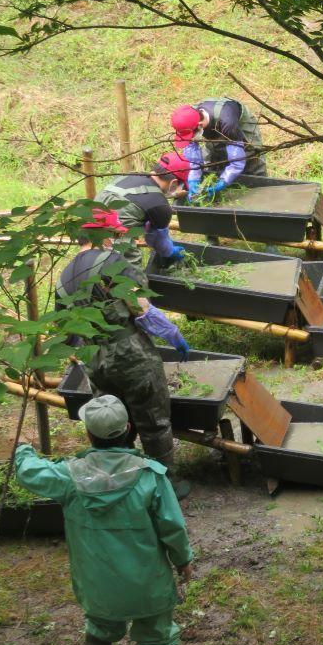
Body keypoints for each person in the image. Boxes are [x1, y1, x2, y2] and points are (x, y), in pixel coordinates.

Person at [14, 395, 194, 645]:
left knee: (99, 628)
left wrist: (23, 449)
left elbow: (29, 472)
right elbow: (174, 527)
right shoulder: (150, 476)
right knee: (157, 635)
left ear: (88, 433)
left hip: (99, 588)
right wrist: (183, 561)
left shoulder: (68, 477)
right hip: (149, 586)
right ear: (129, 430)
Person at [56, 210, 192, 498]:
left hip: (94, 359)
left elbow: (66, 332)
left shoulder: (63, 276)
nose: (116, 239)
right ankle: (164, 487)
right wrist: (173, 335)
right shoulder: (113, 263)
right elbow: (140, 308)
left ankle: (123, 483)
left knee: (115, 422)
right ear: (101, 235)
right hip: (131, 354)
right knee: (153, 420)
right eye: (114, 234)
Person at [96, 152, 191, 268]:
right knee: (131, 270)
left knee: (97, 259)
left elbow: (139, 197)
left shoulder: (133, 175)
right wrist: (170, 251)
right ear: (174, 183)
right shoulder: (160, 206)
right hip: (113, 230)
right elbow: (155, 240)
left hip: (91, 216)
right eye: (181, 185)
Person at [170, 98, 267, 201]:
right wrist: (193, 178)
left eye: (192, 135)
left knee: (251, 159)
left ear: (200, 126)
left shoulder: (228, 124)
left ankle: (261, 196)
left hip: (241, 129)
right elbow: (193, 155)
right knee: (213, 164)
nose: (191, 139)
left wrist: (223, 181)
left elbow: (237, 163)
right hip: (214, 127)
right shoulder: (189, 119)